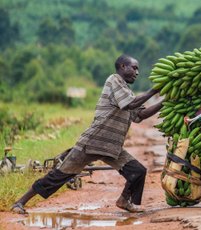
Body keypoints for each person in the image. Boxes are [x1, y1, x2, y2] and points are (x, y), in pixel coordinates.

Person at [11, 54, 163, 214]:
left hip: (111, 147)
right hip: (91, 143)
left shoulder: (127, 91)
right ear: (123, 67)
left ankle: (125, 200)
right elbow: (131, 104)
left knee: (138, 171)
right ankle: (19, 203)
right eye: (134, 67)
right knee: (58, 177)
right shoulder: (114, 80)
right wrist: (154, 90)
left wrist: (164, 102)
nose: (137, 72)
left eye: (138, 69)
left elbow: (140, 115)